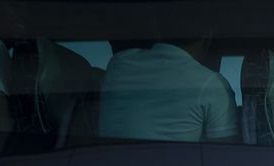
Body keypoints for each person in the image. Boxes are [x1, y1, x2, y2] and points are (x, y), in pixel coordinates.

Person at [98, 36, 237, 142]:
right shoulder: (211, 84)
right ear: (207, 37)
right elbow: (225, 156)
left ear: (157, 29)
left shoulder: (120, 64)